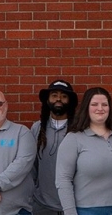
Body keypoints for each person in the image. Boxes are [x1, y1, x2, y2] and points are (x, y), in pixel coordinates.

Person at [55, 87, 112, 215]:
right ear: (86, 108)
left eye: (104, 104)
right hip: (87, 210)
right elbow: (63, 180)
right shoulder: (74, 138)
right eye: (94, 104)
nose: (100, 108)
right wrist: (70, 212)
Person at [33, 79, 79, 215]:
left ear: (70, 101)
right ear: (47, 100)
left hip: (73, 204)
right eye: (54, 95)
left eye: (64, 96)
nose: (58, 99)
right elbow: (32, 166)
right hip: (42, 204)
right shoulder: (37, 128)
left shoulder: (78, 129)